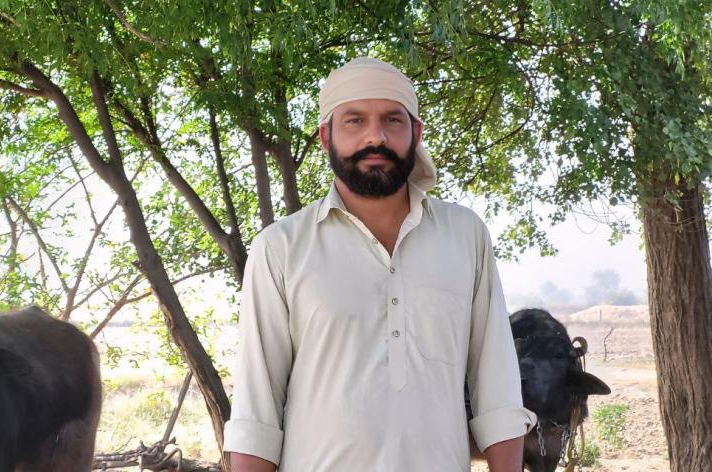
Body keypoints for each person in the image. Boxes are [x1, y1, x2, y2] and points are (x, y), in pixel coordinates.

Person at [223, 57, 536, 472]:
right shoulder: (281, 248)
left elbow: (497, 387)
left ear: (416, 133)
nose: (376, 137)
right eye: (354, 121)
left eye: (392, 120)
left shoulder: (465, 236)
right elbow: (255, 410)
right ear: (325, 136)